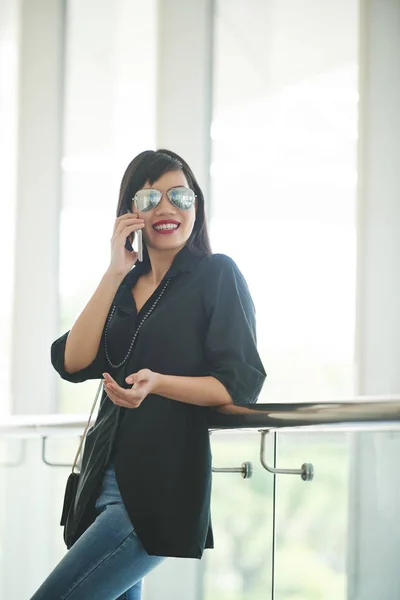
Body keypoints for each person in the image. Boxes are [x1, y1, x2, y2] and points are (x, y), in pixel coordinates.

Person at [31, 149, 266, 600]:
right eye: (149, 198)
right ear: (130, 213)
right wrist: (115, 269)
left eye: (179, 195)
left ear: (196, 204)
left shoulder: (216, 274)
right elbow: (72, 361)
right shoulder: (124, 285)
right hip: (101, 484)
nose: (166, 208)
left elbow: (239, 383)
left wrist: (159, 383)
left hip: (156, 489)